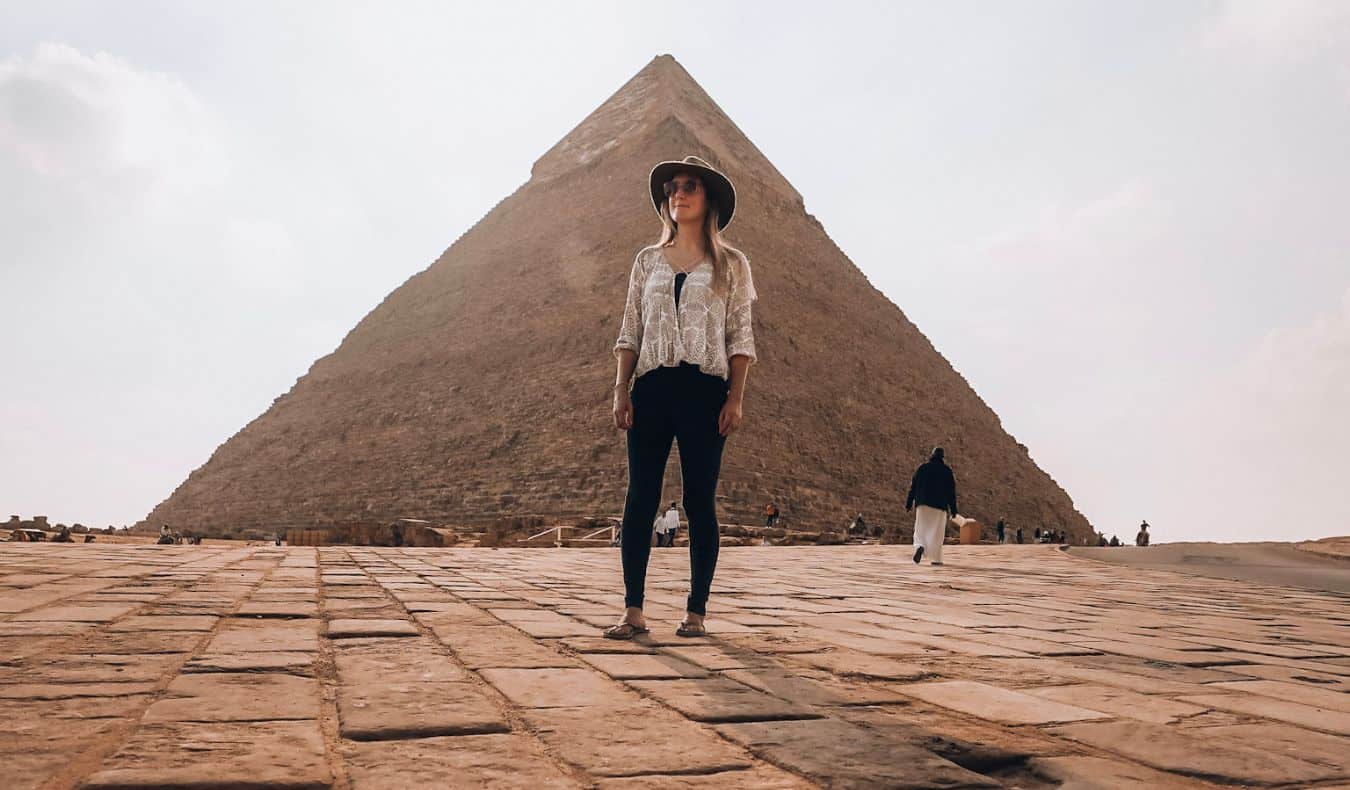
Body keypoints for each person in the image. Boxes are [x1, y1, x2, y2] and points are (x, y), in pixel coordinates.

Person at [605, 155, 757, 640]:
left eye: (690, 186)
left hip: (704, 390)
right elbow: (631, 327)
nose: (679, 194)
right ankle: (633, 611)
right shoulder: (646, 261)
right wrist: (621, 389)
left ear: (707, 198)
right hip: (651, 387)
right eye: (672, 188)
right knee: (640, 498)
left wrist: (735, 398)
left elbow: (740, 337)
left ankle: (696, 611)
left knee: (700, 501)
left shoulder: (731, 265)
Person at [905, 447, 958, 566]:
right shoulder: (947, 471)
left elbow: (913, 487)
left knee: (920, 530)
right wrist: (953, 510)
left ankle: (919, 546)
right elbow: (951, 493)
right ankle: (936, 559)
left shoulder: (922, 468)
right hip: (939, 506)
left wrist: (909, 503)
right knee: (937, 533)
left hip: (922, 504)